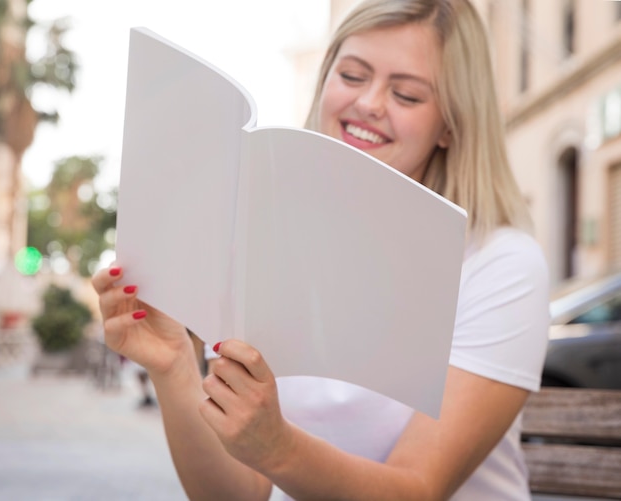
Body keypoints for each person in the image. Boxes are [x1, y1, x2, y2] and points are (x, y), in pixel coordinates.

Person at [92, 0, 550, 499]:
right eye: (352, 76)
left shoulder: (502, 264)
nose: (370, 103)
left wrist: (278, 447)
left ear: (450, 125)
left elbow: (418, 489)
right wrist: (175, 364)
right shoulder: (269, 245)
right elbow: (239, 494)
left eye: (406, 94)